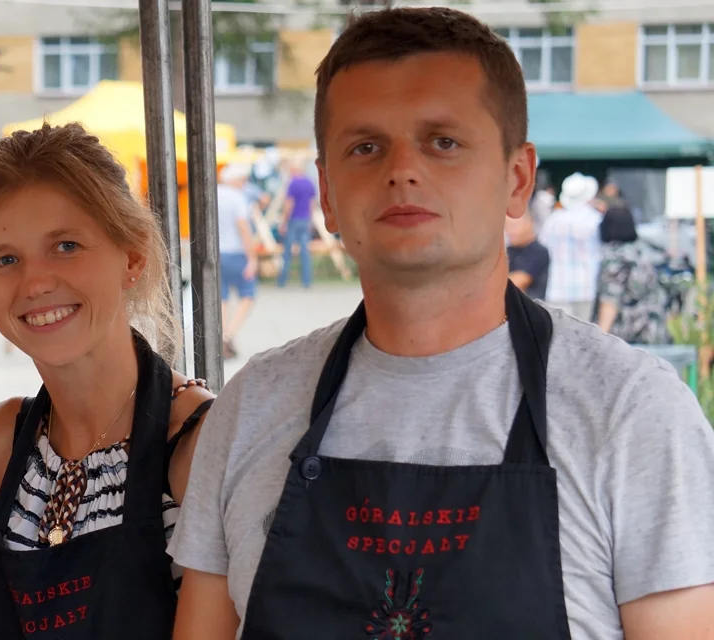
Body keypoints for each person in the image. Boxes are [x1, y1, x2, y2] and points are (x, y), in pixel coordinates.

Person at [170, 8, 714, 639]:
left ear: (517, 179)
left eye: (443, 141)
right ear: (326, 194)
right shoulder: (251, 408)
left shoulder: (632, 413)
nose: (402, 169)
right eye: (365, 146)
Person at [0, 123, 216, 640]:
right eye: (6, 259)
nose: (36, 282)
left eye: (66, 245)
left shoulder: (198, 446)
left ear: (133, 257)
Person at [595, 208, 672, 345]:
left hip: (627, 335)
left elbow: (610, 302)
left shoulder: (615, 257)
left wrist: (599, 340)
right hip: (654, 330)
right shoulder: (644, 251)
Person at [540, 172, 603, 321]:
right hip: (587, 286)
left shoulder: (554, 219)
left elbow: (543, 244)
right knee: (584, 335)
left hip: (557, 287)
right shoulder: (595, 219)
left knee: (560, 337)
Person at [217, 163, 259, 360]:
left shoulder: (212, 194)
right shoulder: (237, 198)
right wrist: (252, 258)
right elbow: (243, 227)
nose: (244, 184)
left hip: (216, 253)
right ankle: (228, 334)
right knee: (248, 295)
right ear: (234, 180)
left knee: (222, 297)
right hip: (236, 253)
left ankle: (222, 335)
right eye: (243, 180)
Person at [277, 160, 318, 289]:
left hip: (293, 220)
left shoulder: (292, 183)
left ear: (294, 169)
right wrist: (310, 220)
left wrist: (283, 222)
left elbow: (289, 204)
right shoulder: (309, 182)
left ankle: (282, 281)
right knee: (305, 252)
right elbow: (312, 204)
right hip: (305, 220)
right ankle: (306, 281)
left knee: (287, 252)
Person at [505, 211, 550, 300]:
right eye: (506, 226)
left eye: (513, 225)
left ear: (529, 223)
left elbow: (518, 282)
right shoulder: (508, 251)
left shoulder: (538, 251)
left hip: (533, 308)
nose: (509, 231)